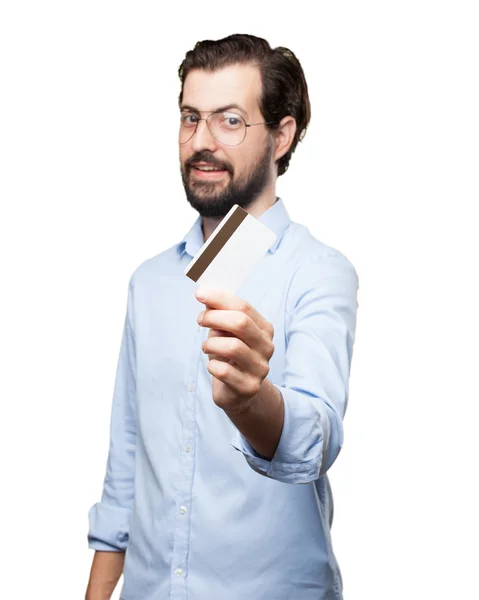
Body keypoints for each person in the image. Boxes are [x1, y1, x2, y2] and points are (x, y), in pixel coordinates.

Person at [85, 33, 359, 600]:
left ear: (281, 136)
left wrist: (249, 400)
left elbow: (317, 438)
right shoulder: (151, 283)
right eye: (190, 118)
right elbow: (126, 465)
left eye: (229, 121)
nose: (201, 141)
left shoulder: (318, 272)